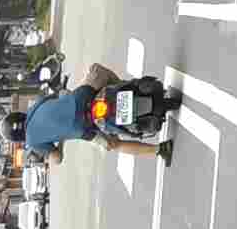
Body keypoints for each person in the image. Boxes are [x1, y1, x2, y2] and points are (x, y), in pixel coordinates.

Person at [9, 61, 173, 168]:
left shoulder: (33, 142)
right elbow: (63, 95)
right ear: (20, 115)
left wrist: (62, 138)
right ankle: (128, 87)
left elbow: (56, 158)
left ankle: (160, 149)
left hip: (84, 128)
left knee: (115, 145)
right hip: (83, 97)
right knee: (98, 70)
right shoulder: (36, 104)